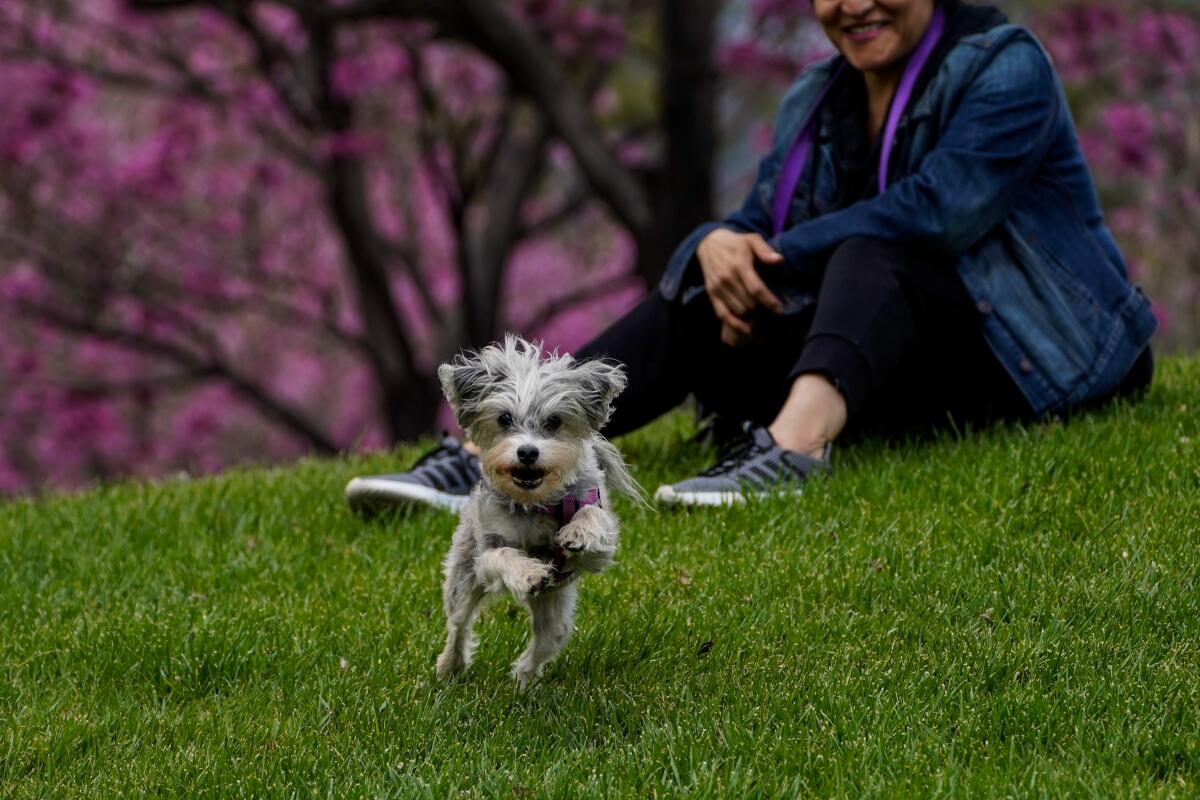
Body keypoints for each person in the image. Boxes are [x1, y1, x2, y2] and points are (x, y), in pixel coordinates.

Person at [345, 0, 1156, 512]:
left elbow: (935, 213)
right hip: (893, 354)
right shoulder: (816, 96)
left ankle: (793, 455)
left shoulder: (1005, 67)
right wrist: (714, 248)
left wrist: (756, 254)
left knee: (874, 248)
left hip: (1032, 357)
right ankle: (495, 449)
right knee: (713, 281)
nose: (857, 5)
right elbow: (755, 222)